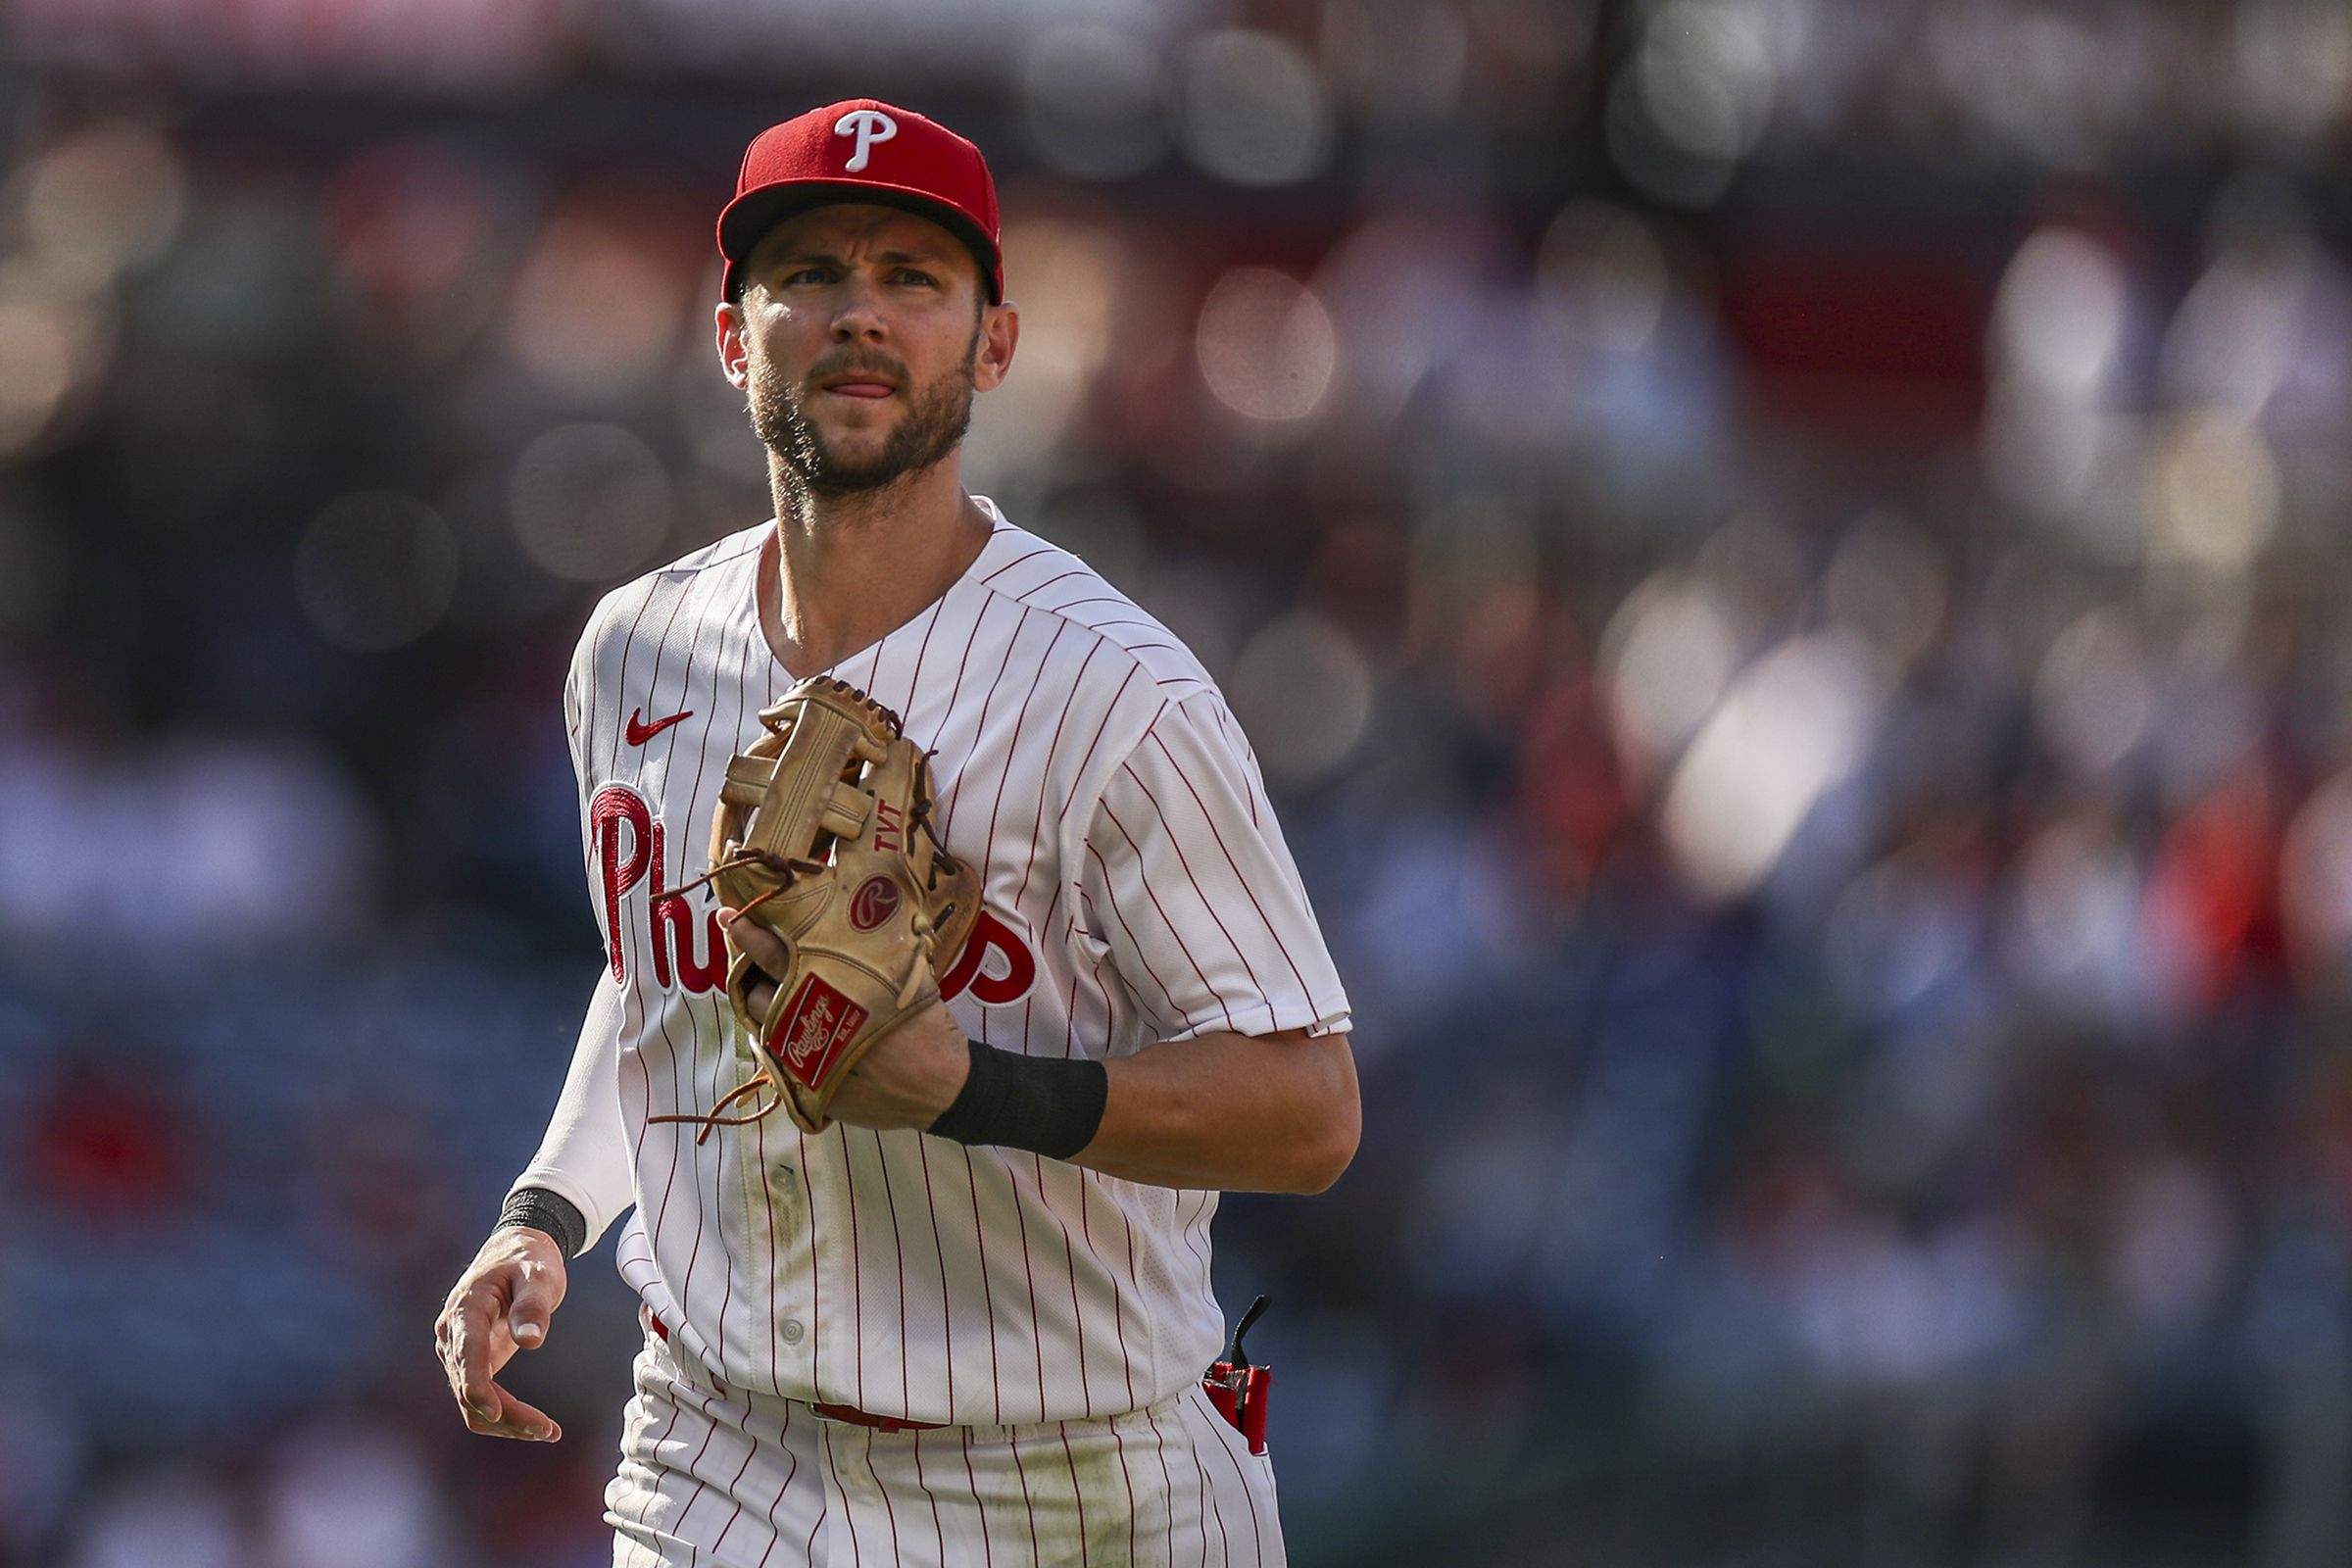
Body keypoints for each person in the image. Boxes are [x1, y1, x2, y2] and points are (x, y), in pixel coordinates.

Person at [433, 98, 1359, 1567]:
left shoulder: (1115, 692)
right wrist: (546, 1211)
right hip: (719, 1450)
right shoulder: (636, 652)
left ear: (993, 345)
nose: (860, 314)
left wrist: (972, 1088)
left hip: (1078, 1469)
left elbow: (1310, 1112)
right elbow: (665, 983)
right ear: (736, 335)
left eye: (914, 280)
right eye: (810, 273)